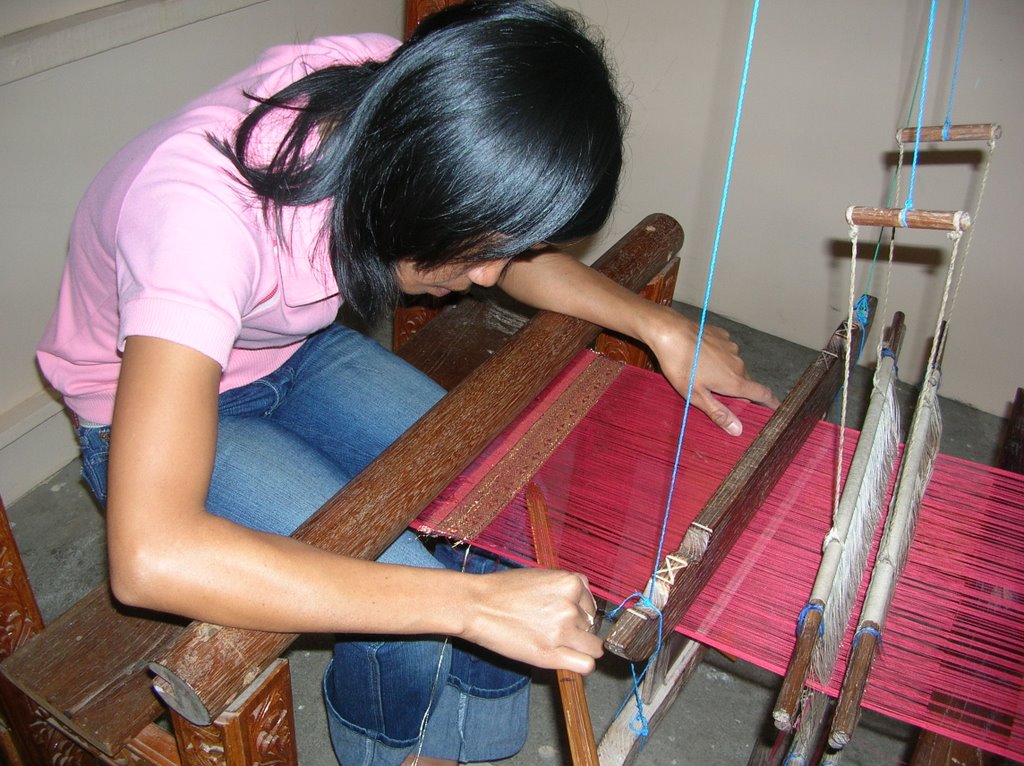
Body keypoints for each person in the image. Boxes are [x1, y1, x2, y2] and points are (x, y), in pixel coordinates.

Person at [37, 1, 778, 764]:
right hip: (144, 410)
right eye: (478, 252)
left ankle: (473, 750)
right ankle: (386, 752)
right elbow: (152, 553)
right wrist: (466, 607)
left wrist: (660, 328)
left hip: (289, 349)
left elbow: (502, 242)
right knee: (408, 612)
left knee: (501, 511)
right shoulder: (198, 219)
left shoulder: (400, 93)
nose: (493, 276)